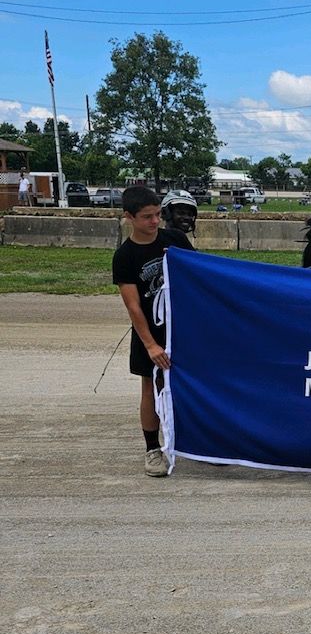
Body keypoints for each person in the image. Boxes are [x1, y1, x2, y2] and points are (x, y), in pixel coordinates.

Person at [112, 186, 195, 477]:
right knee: (150, 387)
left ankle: (199, 441)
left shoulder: (175, 240)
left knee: (191, 383)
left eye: (158, 214)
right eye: (147, 217)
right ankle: (152, 449)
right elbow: (134, 307)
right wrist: (150, 346)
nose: (154, 221)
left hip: (182, 329)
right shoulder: (124, 257)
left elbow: (201, 275)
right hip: (150, 333)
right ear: (128, 217)